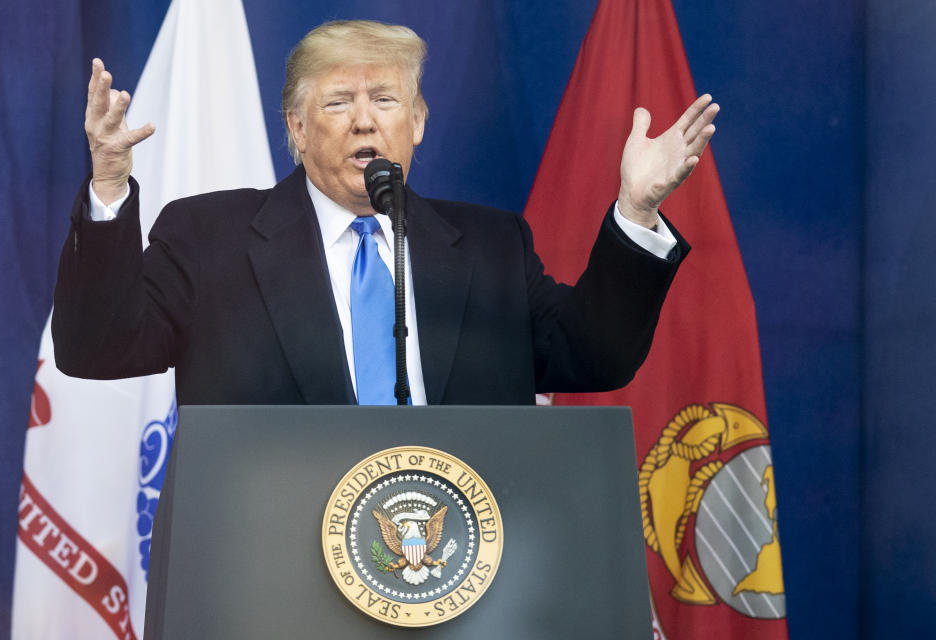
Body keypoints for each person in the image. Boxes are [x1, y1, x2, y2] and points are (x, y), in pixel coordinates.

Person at [53, 20, 718, 406]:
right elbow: (97, 350)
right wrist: (109, 186)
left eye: (386, 101)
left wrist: (636, 209)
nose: (364, 121)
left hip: (459, 569)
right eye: (338, 103)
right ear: (296, 129)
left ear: (420, 123)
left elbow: (594, 359)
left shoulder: (490, 247)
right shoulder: (210, 237)